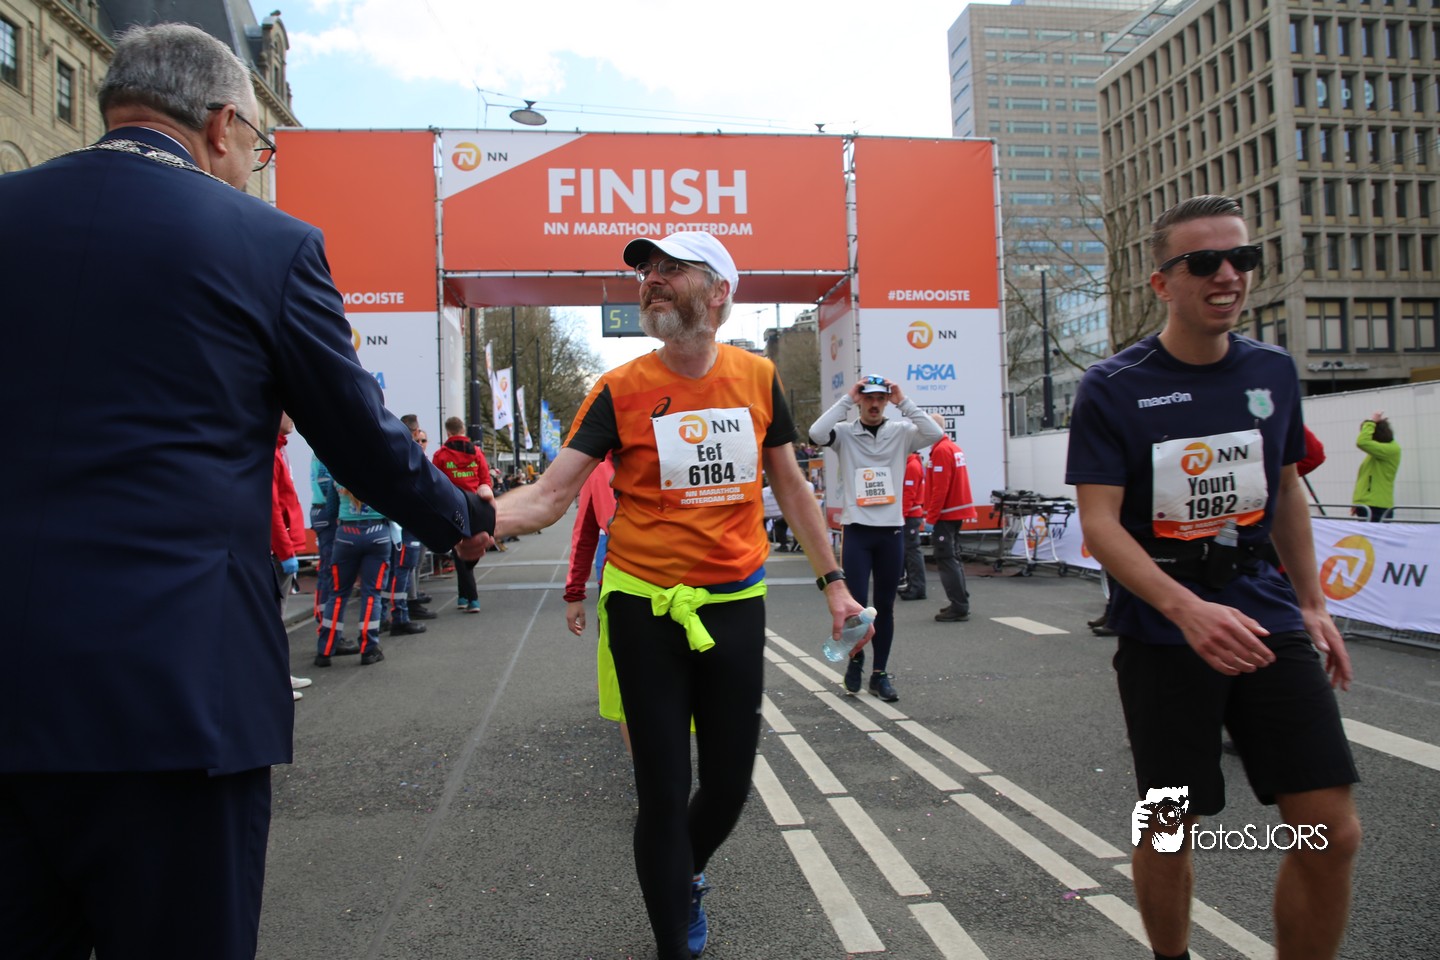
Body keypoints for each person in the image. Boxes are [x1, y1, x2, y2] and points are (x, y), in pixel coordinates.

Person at [0, 24, 494, 960]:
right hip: (174, 692)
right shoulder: (267, 245)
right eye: (258, 148)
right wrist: (466, 517)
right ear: (223, 124)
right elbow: (358, 436)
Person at [492, 231, 868, 960]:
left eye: (672, 269)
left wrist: (836, 586)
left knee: (727, 787)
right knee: (663, 792)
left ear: (720, 292)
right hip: (645, 609)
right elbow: (550, 495)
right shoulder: (618, 388)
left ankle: (683, 873)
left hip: (733, 605)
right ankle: (673, 935)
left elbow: (792, 488)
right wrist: (469, 518)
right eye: (647, 270)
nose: (652, 279)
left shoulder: (758, 377)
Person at [1065, 195, 1360, 960]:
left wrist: (1313, 604)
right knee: (1168, 826)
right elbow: (1100, 524)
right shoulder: (1112, 385)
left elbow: (1285, 487)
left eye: (1242, 258)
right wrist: (1186, 609)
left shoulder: (1272, 371)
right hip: (1164, 627)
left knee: (1330, 830)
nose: (1227, 275)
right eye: (1204, 262)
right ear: (1163, 283)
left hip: (1265, 613)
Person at [809, 374, 944, 702]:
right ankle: (855, 660)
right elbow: (816, 433)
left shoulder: (901, 433)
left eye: (880, 399)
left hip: (891, 531)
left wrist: (903, 400)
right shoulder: (845, 433)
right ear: (861, 400)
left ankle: (879, 674)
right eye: (868, 398)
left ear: (886, 401)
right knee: (855, 607)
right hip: (857, 531)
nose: (874, 404)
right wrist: (847, 399)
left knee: (884, 606)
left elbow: (935, 433)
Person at [433, 416, 495, 611]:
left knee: (460, 550)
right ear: (463, 431)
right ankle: (463, 596)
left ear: (448, 433)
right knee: (464, 549)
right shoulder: (476, 452)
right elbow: (485, 479)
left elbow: (435, 482)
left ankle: (472, 598)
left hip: (452, 505)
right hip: (475, 505)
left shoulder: (441, 455)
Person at [272, 413, 311, 699]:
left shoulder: (278, 450)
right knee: (273, 618)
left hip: (282, 548)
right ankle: (274, 681)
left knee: (278, 616)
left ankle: (280, 674)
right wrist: (285, 550)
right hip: (277, 550)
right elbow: (273, 508)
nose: (292, 417)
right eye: (287, 411)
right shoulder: (271, 454)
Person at [925, 413, 978, 622]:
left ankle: (959, 605)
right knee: (952, 557)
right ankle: (960, 601)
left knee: (946, 558)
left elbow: (940, 488)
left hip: (946, 515)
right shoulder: (951, 447)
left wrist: (931, 517)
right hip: (954, 512)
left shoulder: (941, 451)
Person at [1352, 411, 1400, 522]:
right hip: (1369, 504)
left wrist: (1371, 422)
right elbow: (1364, 479)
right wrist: (1357, 502)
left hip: (1377, 506)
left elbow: (1362, 442)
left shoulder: (1390, 450)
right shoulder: (1379, 452)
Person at [898, 450, 928, 600]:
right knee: (910, 552)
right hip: (911, 514)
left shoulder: (911, 466)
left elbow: (909, 494)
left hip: (910, 515)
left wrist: (901, 516)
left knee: (912, 552)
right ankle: (914, 585)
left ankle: (917, 587)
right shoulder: (912, 464)